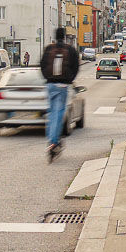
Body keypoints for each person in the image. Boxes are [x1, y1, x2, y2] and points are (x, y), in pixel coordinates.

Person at [39, 26, 82, 162]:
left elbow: (42, 65)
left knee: (52, 113)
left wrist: (48, 78)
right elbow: (76, 67)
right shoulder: (70, 50)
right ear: (64, 37)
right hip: (63, 85)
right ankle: (53, 142)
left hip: (50, 85)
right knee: (58, 114)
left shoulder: (48, 49)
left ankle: (52, 140)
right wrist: (69, 80)